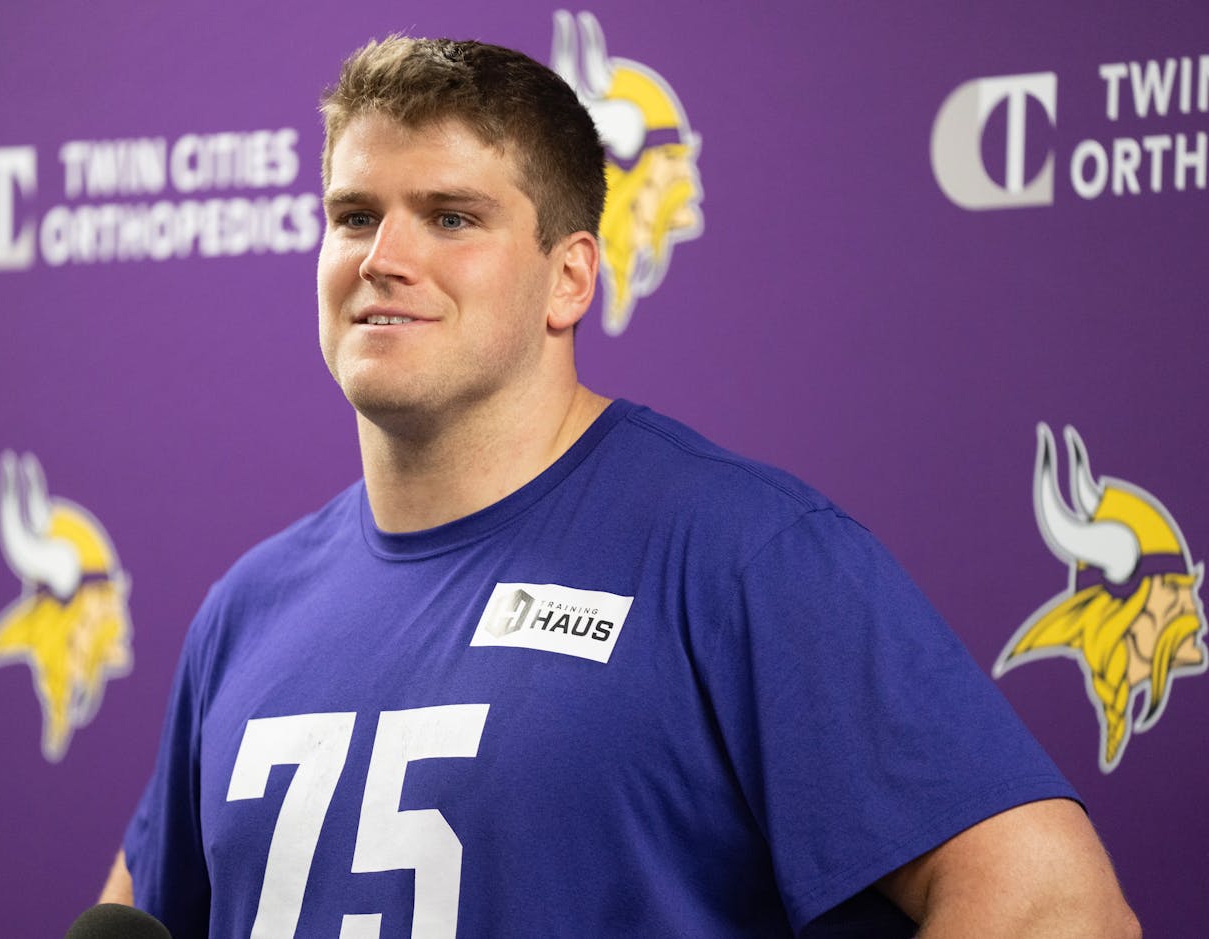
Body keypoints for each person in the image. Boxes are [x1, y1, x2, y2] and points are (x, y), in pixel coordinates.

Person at [99, 36, 1141, 938]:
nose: (383, 257)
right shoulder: (247, 610)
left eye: (452, 217)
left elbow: (1054, 908)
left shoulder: (739, 555)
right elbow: (135, 918)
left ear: (569, 277)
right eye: (353, 214)